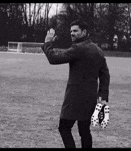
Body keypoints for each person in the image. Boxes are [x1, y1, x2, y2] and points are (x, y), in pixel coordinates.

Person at [41, 19, 110, 148]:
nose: (72, 33)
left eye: (75, 31)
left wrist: (47, 43)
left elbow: (54, 58)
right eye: (71, 31)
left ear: (84, 32)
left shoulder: (78, 48)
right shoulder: (98, 50)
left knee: (64, 128)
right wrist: (103, 96)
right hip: (90, 97)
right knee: (84, 130)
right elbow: (105, 74)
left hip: (75, 97)